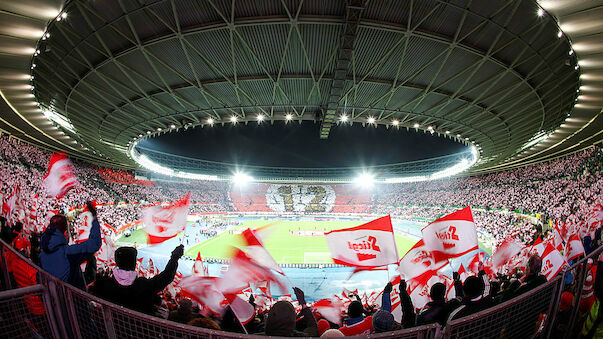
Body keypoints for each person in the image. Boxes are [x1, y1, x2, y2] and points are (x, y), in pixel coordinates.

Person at [90, 244, 184, 315]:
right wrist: (174, 258)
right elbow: (166, 277)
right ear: (134, 263)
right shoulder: (143, 285)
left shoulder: (102, 283)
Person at [39, 201, 101, 290]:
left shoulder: (41, 255)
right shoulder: (68, 253)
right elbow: (95, 243)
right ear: (65, 233)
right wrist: (94, 219)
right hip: (70, 300)